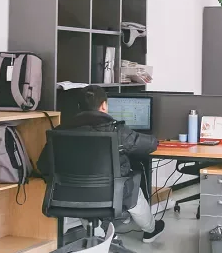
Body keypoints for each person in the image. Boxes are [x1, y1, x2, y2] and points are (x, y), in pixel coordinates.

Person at [38, 85, 165, 243]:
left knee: (82, 190)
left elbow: (42, 165)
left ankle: (102, 234)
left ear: (79, 107)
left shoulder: (59, 132)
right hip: (112, 193)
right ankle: (151, 230)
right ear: (104, 105)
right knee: (134, 190)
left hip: (70, 195)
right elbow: (149, 145)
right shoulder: (117, 131)